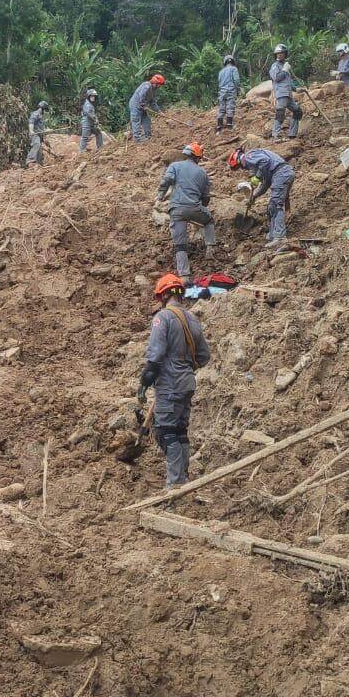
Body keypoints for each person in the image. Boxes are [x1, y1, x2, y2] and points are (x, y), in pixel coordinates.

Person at [138, 273, 210, 488]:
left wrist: (144, 383)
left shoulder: (163, 318)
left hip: (169, 384)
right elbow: (204, 357)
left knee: (166, 431)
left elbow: (155, 356)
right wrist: (184, 362)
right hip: (187, 382)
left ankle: (175, 483)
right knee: (180, 430)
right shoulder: (192, 319)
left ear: (162, 295)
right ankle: (183, 479)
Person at [156, 142, 215, 280]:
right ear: (198, 158)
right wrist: (200, 207)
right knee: (209, 220)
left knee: (180, 245)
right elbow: (206, 198)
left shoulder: (175, 166)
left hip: (176, 210)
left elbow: (167, 181)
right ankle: (210, 249)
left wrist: (160, 196)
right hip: (195, 208)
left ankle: (184, 276)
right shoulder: (203, 173)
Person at [228, 146, 295, 245]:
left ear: (239, 160)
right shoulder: (259, 165)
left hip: (281, 173)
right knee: (271, 207)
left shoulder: (248, 157)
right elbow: (266, 183)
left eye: (239, 167)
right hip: (284, 173)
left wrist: (257, 177)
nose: (243, 168)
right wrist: (254, 196)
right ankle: (273, 235)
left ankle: (280, 237)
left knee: (276, 205)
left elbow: (265, 160)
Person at [269, 45, 302, 141]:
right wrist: (284, 70)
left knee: (297, 111)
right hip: (281, 93)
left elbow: (288, 83)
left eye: (281, 53)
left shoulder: (285, 66)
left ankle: (292, 134)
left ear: (285, 54)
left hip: (288, 94)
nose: (279, 55)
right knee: (280, 112)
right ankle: (276, 135)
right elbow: (277, 78)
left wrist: (297, 89)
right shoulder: (275, 66)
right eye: (278, 54)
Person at [129, 73, 165, 142]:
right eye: (159, 85)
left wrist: (159, 111)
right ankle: (137, 139)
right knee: (136, 120)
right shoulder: (146, 86)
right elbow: (141, 95)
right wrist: (143, 105)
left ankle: (148, 136)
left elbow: (153, 102)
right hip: (135, 105)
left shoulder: (153, 90)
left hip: (142, 106)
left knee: (146, 119)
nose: (159, 86)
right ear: (155, 82)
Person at [217, 55, 240, 133]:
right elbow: (236, 80)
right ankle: (229, 125)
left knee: (221, 109)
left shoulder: (221, 72)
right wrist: (238, 89)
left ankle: (219, 126)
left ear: (225, 62)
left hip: (222, 92)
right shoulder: (234, 69)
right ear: (232, 62)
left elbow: (219, 83)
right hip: (231, 90)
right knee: (230, 107)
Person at [26, 101, 51, 166]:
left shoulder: (41, 117)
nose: (45, 112)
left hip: (39, 134)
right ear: (42, 109)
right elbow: (31, 122)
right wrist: (31, 131)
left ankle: (40, 164)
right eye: (45, 110)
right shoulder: (35, 114)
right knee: (36, 144)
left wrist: (46, 136)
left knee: (39, 149)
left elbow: (42, 129)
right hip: (35, 134)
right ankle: (30, 160)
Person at [79, 88, 104, 152]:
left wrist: (96, 120)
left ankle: (100, 147)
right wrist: (95, 119)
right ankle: (81, 151)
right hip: (86, 122)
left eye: (94, 96)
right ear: (89, 96)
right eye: (92, 96)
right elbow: (89, 113)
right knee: (85, 137)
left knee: (98, 132)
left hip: (92, 122)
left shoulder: (91, 104)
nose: (93, 97)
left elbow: (92, 114)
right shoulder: (87, 104)